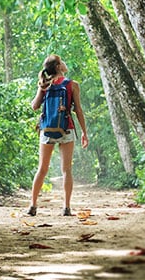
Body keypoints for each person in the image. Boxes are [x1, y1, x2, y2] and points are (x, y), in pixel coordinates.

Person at [27, 54, 88, 216]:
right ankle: (66, 207)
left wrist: (41, 88)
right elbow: (79, 110)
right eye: (62, 61)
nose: (65, 63)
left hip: (47, 129)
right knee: (66, 169)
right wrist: (84, 133)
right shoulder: (73, 85)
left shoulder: (45, 84)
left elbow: (34, 106)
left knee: (42, 169)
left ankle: (32, 206)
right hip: (66, 129)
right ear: (59, 67)